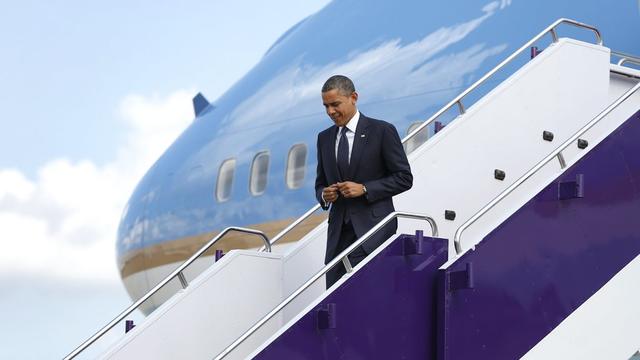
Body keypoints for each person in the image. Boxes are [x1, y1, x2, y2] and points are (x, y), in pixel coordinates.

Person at [315, 75, 413, 289]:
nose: (330, 112)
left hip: (373, 231)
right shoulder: (324, 138)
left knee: (363, 294)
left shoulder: (381, 131)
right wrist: (325, 195)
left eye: (335, 104)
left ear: (353, 97)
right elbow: (320, 183)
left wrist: (365, 188)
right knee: (335, 299)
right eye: (326, 106)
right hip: (338, 236)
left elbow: (404, 178)